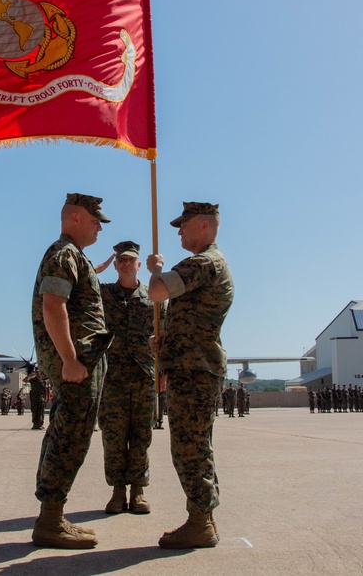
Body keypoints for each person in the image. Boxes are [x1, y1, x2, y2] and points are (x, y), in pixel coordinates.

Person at [147, 201, 234, 550]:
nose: (179, 231)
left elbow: (156, 291)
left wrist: (155, 270)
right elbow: (188, 318)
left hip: (195, 370)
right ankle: (203, 517)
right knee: (194, 445)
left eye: (183, 224)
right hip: (191, 366)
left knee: (190, 447)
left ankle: (200, 523)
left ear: (203, 225)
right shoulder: (207, 263)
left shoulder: (205, 262)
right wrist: (166, 344)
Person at [30, 193, 113, 549]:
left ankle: (52, 516)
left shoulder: (74, 257)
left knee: (67, 432)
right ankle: (50, 520)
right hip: (75, 366)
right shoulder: (64, 254)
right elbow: (53, 306)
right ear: (75, 218)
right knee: (71, 436)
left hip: (81, 363)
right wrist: (69, 360)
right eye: (95, 220)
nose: (99, 227)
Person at [99, 240, 165, 515]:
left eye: (131, 260)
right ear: (115, 265)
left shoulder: (154, 297)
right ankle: (117, 491)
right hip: (111, 377)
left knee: (141, 436)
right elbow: (77, 284)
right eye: (121, 260)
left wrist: (163, 372)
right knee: (113, 437)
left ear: (139, 265)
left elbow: (166, 336)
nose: (126, 264)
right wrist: (95, 268)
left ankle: (138, 491)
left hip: (143, 376)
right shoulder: (102, 294)